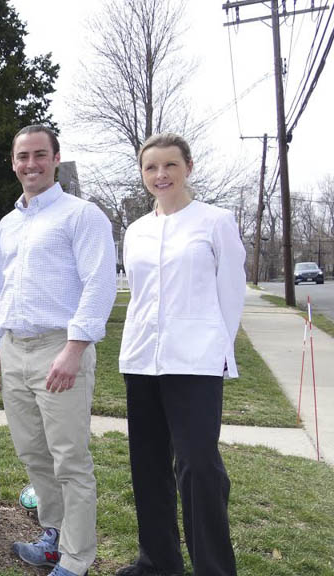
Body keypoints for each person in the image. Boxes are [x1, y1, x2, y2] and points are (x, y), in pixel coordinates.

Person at [0, 125, 117, 576]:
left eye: (40, 155)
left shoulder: (81, 215)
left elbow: (100, 284)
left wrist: (75, 348)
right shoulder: (8, 222)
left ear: (56, 158)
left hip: (61, 348)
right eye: (23, 156)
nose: (31, 164)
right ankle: (54, 537)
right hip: (15, 349)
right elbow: (0, 289)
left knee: (70, 459)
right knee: (33, 454)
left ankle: (77, 560)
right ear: (13, 162)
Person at [116, 133, 245, 576]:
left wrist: (219, 350)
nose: (161, 175)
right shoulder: (135, 230)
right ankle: (158, 563)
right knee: (148, 466)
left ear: (188, 166)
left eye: (170, 165)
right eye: (151, 167)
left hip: (195, 362)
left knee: (198, 467)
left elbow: (231, 293)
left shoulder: (215, 221)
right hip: (142, 361)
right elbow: (139, 294)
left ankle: (213, 568)